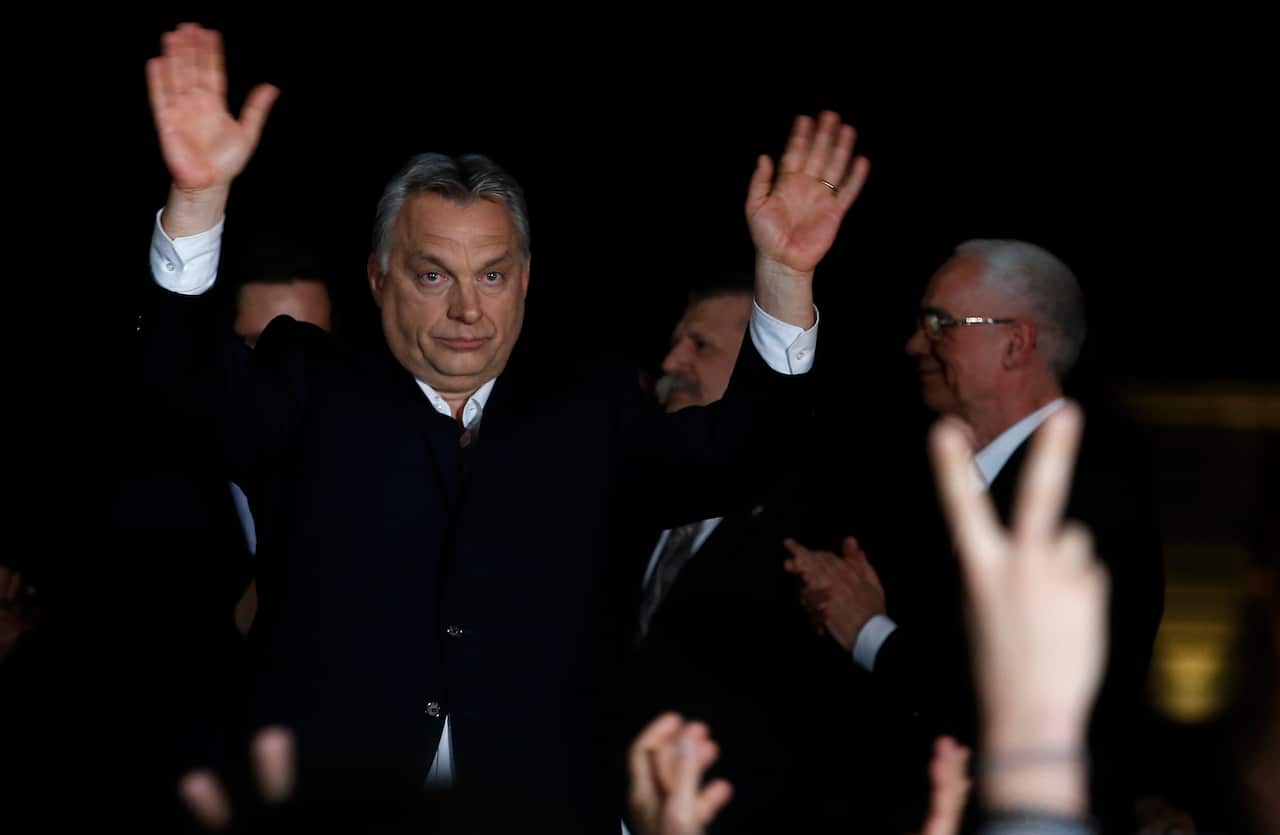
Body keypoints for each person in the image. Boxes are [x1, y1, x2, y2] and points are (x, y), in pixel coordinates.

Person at [139, 22, 869, 829]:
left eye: (491, 275)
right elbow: (181, 387)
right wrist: (200, 200)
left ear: (524, 281)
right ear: (380, 278)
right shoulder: (309, 385)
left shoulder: (591, 411)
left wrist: (786, 276)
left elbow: (746, 456)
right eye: (432, 274)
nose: (466, 310)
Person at [783, 240, 1165, 828]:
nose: (915, 344)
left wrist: (868, 630)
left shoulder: (1088, 497)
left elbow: (1012, 702)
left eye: (941, 324)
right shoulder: (931, 489)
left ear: (1017, 342)